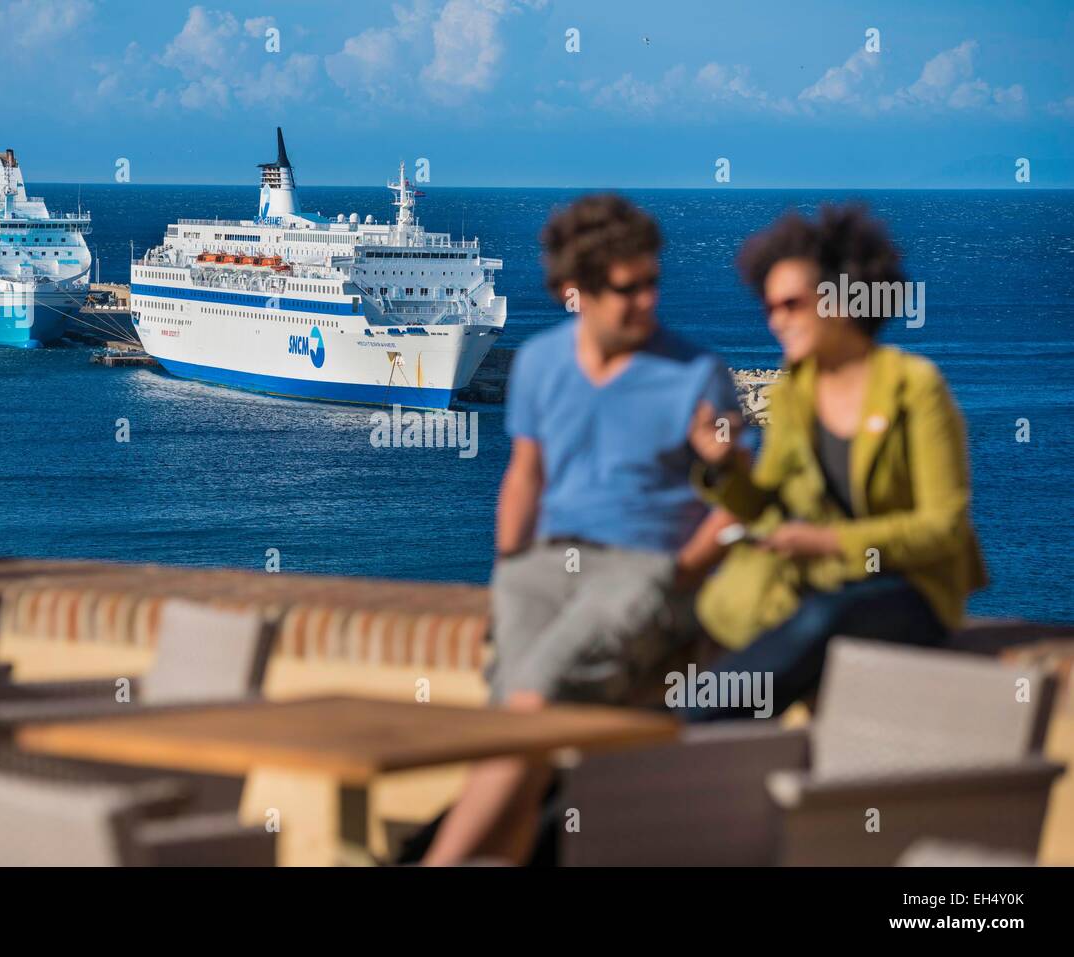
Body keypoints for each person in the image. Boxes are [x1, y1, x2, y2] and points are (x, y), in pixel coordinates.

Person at [421, 195, 741, 865]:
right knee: (522, 741)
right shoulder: (541, 362)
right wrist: (508, 567)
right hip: (542, 570)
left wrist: (675, 574)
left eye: (653, 282)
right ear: (579, 291)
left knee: (527, 707)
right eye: (629, 289)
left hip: (639, 570)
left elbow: (740, 507)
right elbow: (525, 475)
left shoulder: (696, 374)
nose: (648, 301)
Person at [685, 204, 987, 720]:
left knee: (818, 622)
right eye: (770, 307)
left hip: (908, 589)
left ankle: (692, 727)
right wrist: (724, 468)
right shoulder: (792, 395)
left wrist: (826, 542)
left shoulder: (914, 388)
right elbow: (764, 505)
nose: (777, 320)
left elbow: (945, 528)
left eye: (792, 304)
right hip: (822, 582)